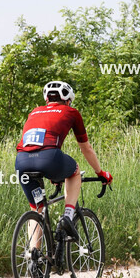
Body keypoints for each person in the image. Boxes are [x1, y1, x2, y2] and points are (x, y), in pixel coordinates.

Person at [14, 81, 112, 242]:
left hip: (22, 162)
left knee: (37, 209)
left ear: (47, 99)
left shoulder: (34, 112)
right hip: (49, 158)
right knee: (74, 171)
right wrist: (100, 173)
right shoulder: (71, 112)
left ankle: (33, 258)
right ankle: (67, 216)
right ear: (68, 100)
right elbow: (86, 148)